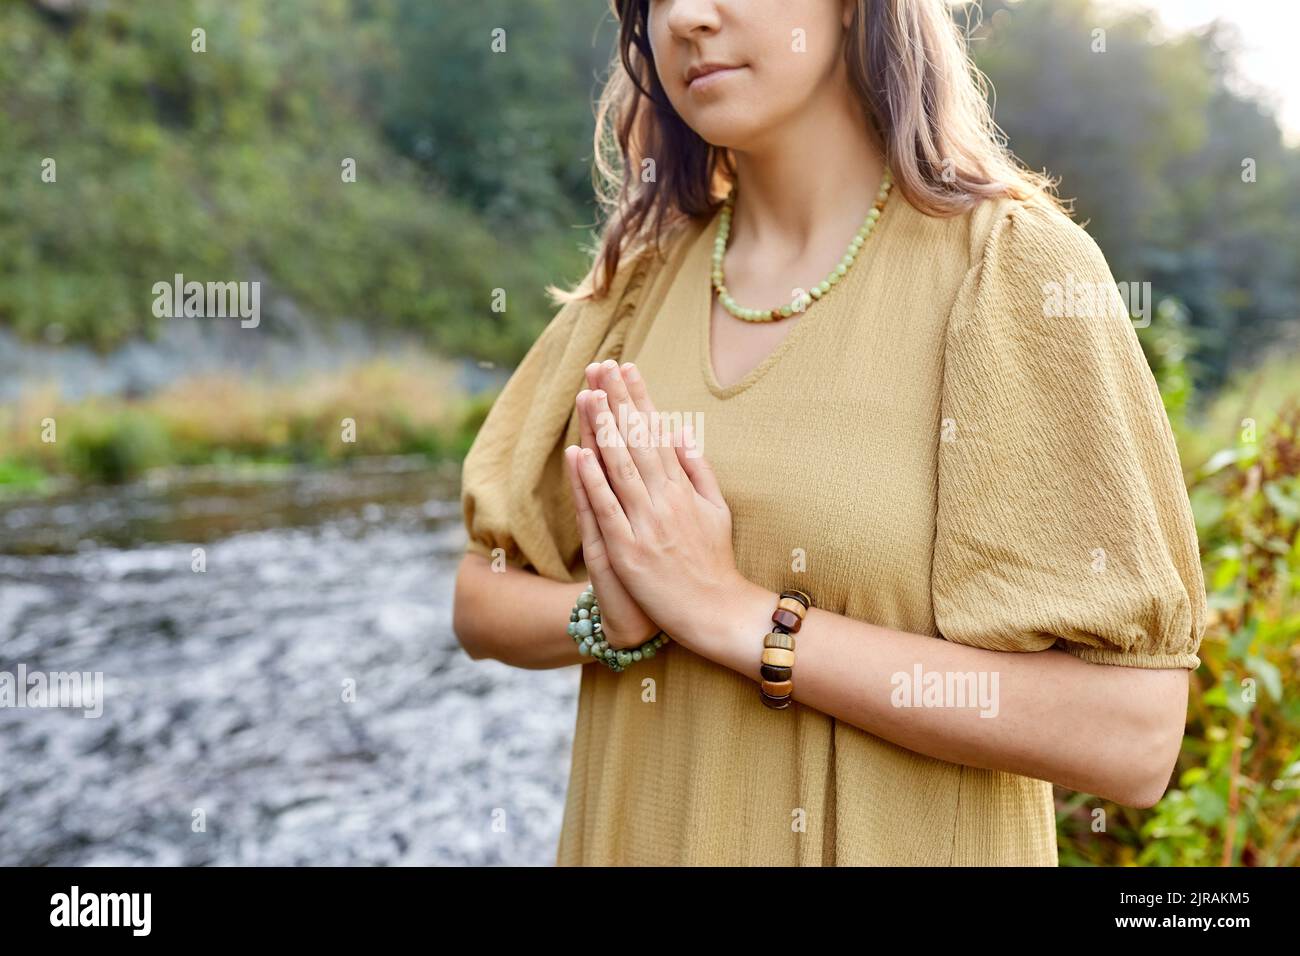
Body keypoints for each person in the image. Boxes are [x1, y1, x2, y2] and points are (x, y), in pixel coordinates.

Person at [453, 0, 1206, 866]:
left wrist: (734, 617)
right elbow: (482, 598)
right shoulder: (638, 283)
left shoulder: (1010, 271)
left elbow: (1133, 736)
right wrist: (605, 618)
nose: (689, 17)